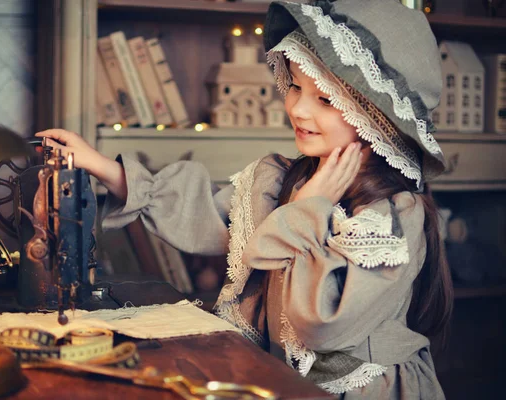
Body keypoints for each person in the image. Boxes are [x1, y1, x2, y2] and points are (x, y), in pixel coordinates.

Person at [36, 1, 453, 397]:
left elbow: (323, 326)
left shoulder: (391, 217)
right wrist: (102, 166)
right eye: (295, 86)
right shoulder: (282, 178)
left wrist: (308, 211)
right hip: (277, 378)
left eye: (325, 99)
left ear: (375, 116)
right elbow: (209, 218)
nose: (299, 110)